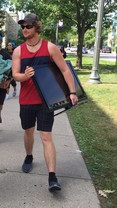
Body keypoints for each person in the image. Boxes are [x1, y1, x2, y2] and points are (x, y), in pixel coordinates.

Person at [12, 13, 78, 192]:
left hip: (46, 101)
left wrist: (72, 92)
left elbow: (65, 70)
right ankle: (29, 156)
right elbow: (15, 75)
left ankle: (52, 177)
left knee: (46, 136)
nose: (25, 29)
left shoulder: (50, 47)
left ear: (36, 27)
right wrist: (24, 76)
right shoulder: (19, 51)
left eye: (28, 26)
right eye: (23, 27)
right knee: (28, 131)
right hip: (26, 100)